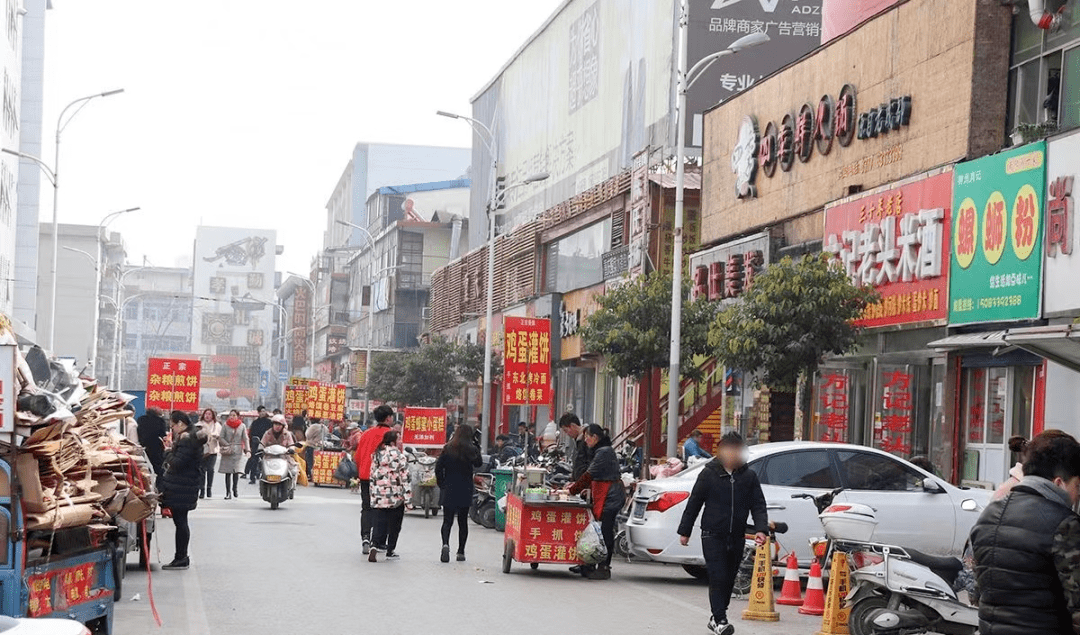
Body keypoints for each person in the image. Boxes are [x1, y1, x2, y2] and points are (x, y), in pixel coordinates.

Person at [970, 430, 1080, 635]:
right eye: (1077, 485)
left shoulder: (988, 515)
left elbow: (976, 592)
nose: (1077, 495)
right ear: (1059, 482)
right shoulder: (1065, 524)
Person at [677, 431, 768, 635]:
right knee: (717, 575)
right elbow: (694, 503)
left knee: (729, 577)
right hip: (712, 533)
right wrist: (685, 530)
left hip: (736, 535)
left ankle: (718, 615)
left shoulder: (749, 477)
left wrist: (761, 529)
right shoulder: (709, 474)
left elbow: (758, 505)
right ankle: (720, 619)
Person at [566, 424, 627, 581]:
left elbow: (589, 474)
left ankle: (604, 567)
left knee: (605, 531)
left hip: (611, 496)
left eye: (588, 436)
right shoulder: (600, 451)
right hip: (603, 493)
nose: (586, 440)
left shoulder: (604, 452)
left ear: (596, 438)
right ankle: (589, 563)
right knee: (595, 531)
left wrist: (572, 490)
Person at [158, 411, 207, 570]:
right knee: (181, 521)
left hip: (182, 485)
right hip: (186, 484)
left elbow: (178, 463)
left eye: (172, 426)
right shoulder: (191, 436)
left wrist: (167, 451)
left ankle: (181, 557)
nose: (172, 429)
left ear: (180, 423)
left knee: (180, 522)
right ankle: (181, 556)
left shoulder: (187, 439)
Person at [435, 424, 483, 563]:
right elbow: (479, 463)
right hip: (465, 488)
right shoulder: (471, 449)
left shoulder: (448, 448)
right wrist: (477, 446)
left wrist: (442, 483)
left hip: (449, 488)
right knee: (463, 522)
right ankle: (461, 551)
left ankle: (445, 544)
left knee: (447, 521)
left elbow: (438, 468)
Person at [355, 404, 395, 554]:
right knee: (382, 509)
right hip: (383, 478)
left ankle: (365, 536)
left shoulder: (366, 434)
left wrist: (361, 471)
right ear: (389, 418)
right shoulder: (392, 435)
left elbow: (358, 457)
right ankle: (377, 541)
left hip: (365, 476)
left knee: (366, 507)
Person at [368, 430, 409, 562]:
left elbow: (372, 474)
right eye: (399, 439)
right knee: (395, 524)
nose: (401, 441)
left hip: (379, 493)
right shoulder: (400, 456)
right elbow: (405, 477)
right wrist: (408, 499)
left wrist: (373, 493)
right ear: (393, 442)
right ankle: (390, 549)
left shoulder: (376, 455)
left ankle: (374, 544)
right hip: (395, 495)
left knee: (379, 521)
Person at [218, 409, 249, 500]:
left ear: (238, 416)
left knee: (236, 471)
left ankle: (235, 488)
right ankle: (228, 492)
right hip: (228, 450)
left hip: (238, 451)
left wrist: (248, 450)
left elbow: (245, 438)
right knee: (228, 472)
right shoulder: (225, 425)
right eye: (231, 415)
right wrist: (227, 444)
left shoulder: (242, 426)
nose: (232, 417)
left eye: (234, 415)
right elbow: (221, 437)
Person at [196, 409, 222, 499]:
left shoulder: (217, 425)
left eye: (209, 414)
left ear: (213, 416)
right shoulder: (199, 425)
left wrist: (216, 436)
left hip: (213, 450)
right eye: (206, 414)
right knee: (202, 470)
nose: (207, 416)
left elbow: (221, 436)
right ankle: (202, 490)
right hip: (202, 450)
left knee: (210, 469)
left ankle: (209, 488)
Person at [136, 407, 169, 475]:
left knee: (145, 466)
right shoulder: (160, 420)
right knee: (158, 467)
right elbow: (162, 434)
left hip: (144, 446)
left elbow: (139, 431)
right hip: (156, 447)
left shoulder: (141, 419)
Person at [557, 412, 588, 479]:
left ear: (573, 426)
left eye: (566, 430)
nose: (567, 434)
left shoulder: (586, 440)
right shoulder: (578, 440)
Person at [247, 406, 273, 484]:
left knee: (267, 460)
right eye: (261, 411)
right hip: (256, 444)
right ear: (258, 412)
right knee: (254, 460)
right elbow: (251, 434)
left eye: (264, 411)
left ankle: (269, 476)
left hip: (266, 444)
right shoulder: (255, 423)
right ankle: (253, 477)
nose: (263, 413)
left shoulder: (269, 422)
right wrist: (251, 444)